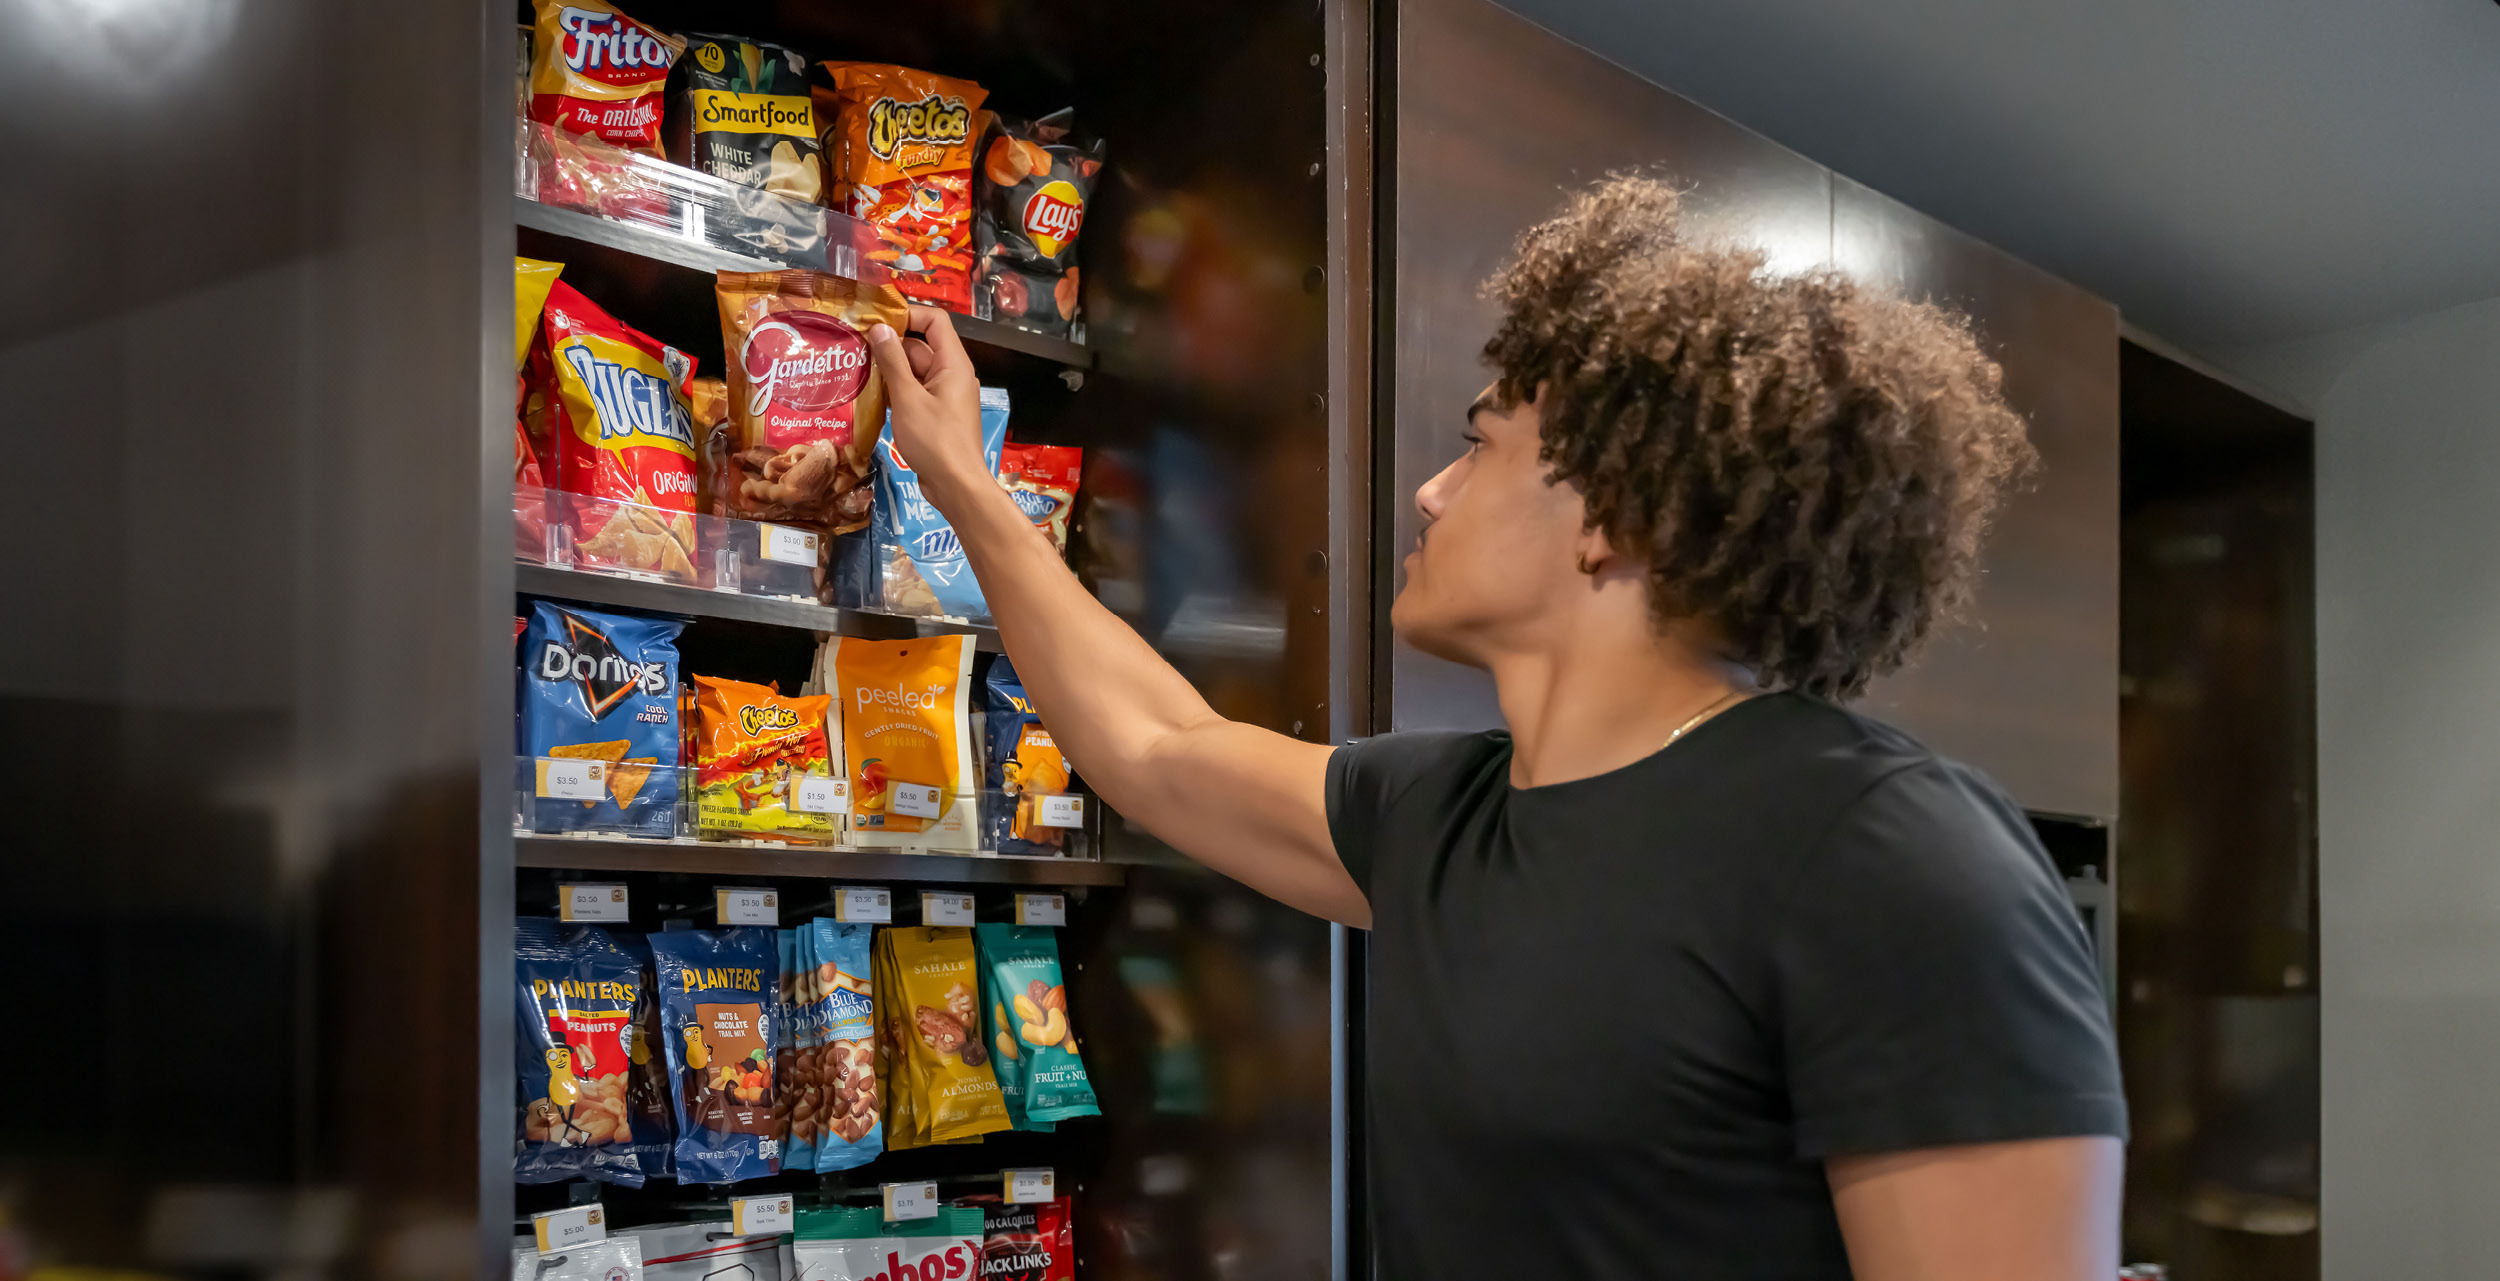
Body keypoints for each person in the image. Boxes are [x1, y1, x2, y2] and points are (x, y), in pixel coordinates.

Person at [864, 176, 2126, 1281]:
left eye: (1479, 448)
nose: (1431, 490)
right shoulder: (1438, 815)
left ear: (1614, 516)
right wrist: (961, 479)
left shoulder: (1885, 849)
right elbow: (1154, 749)